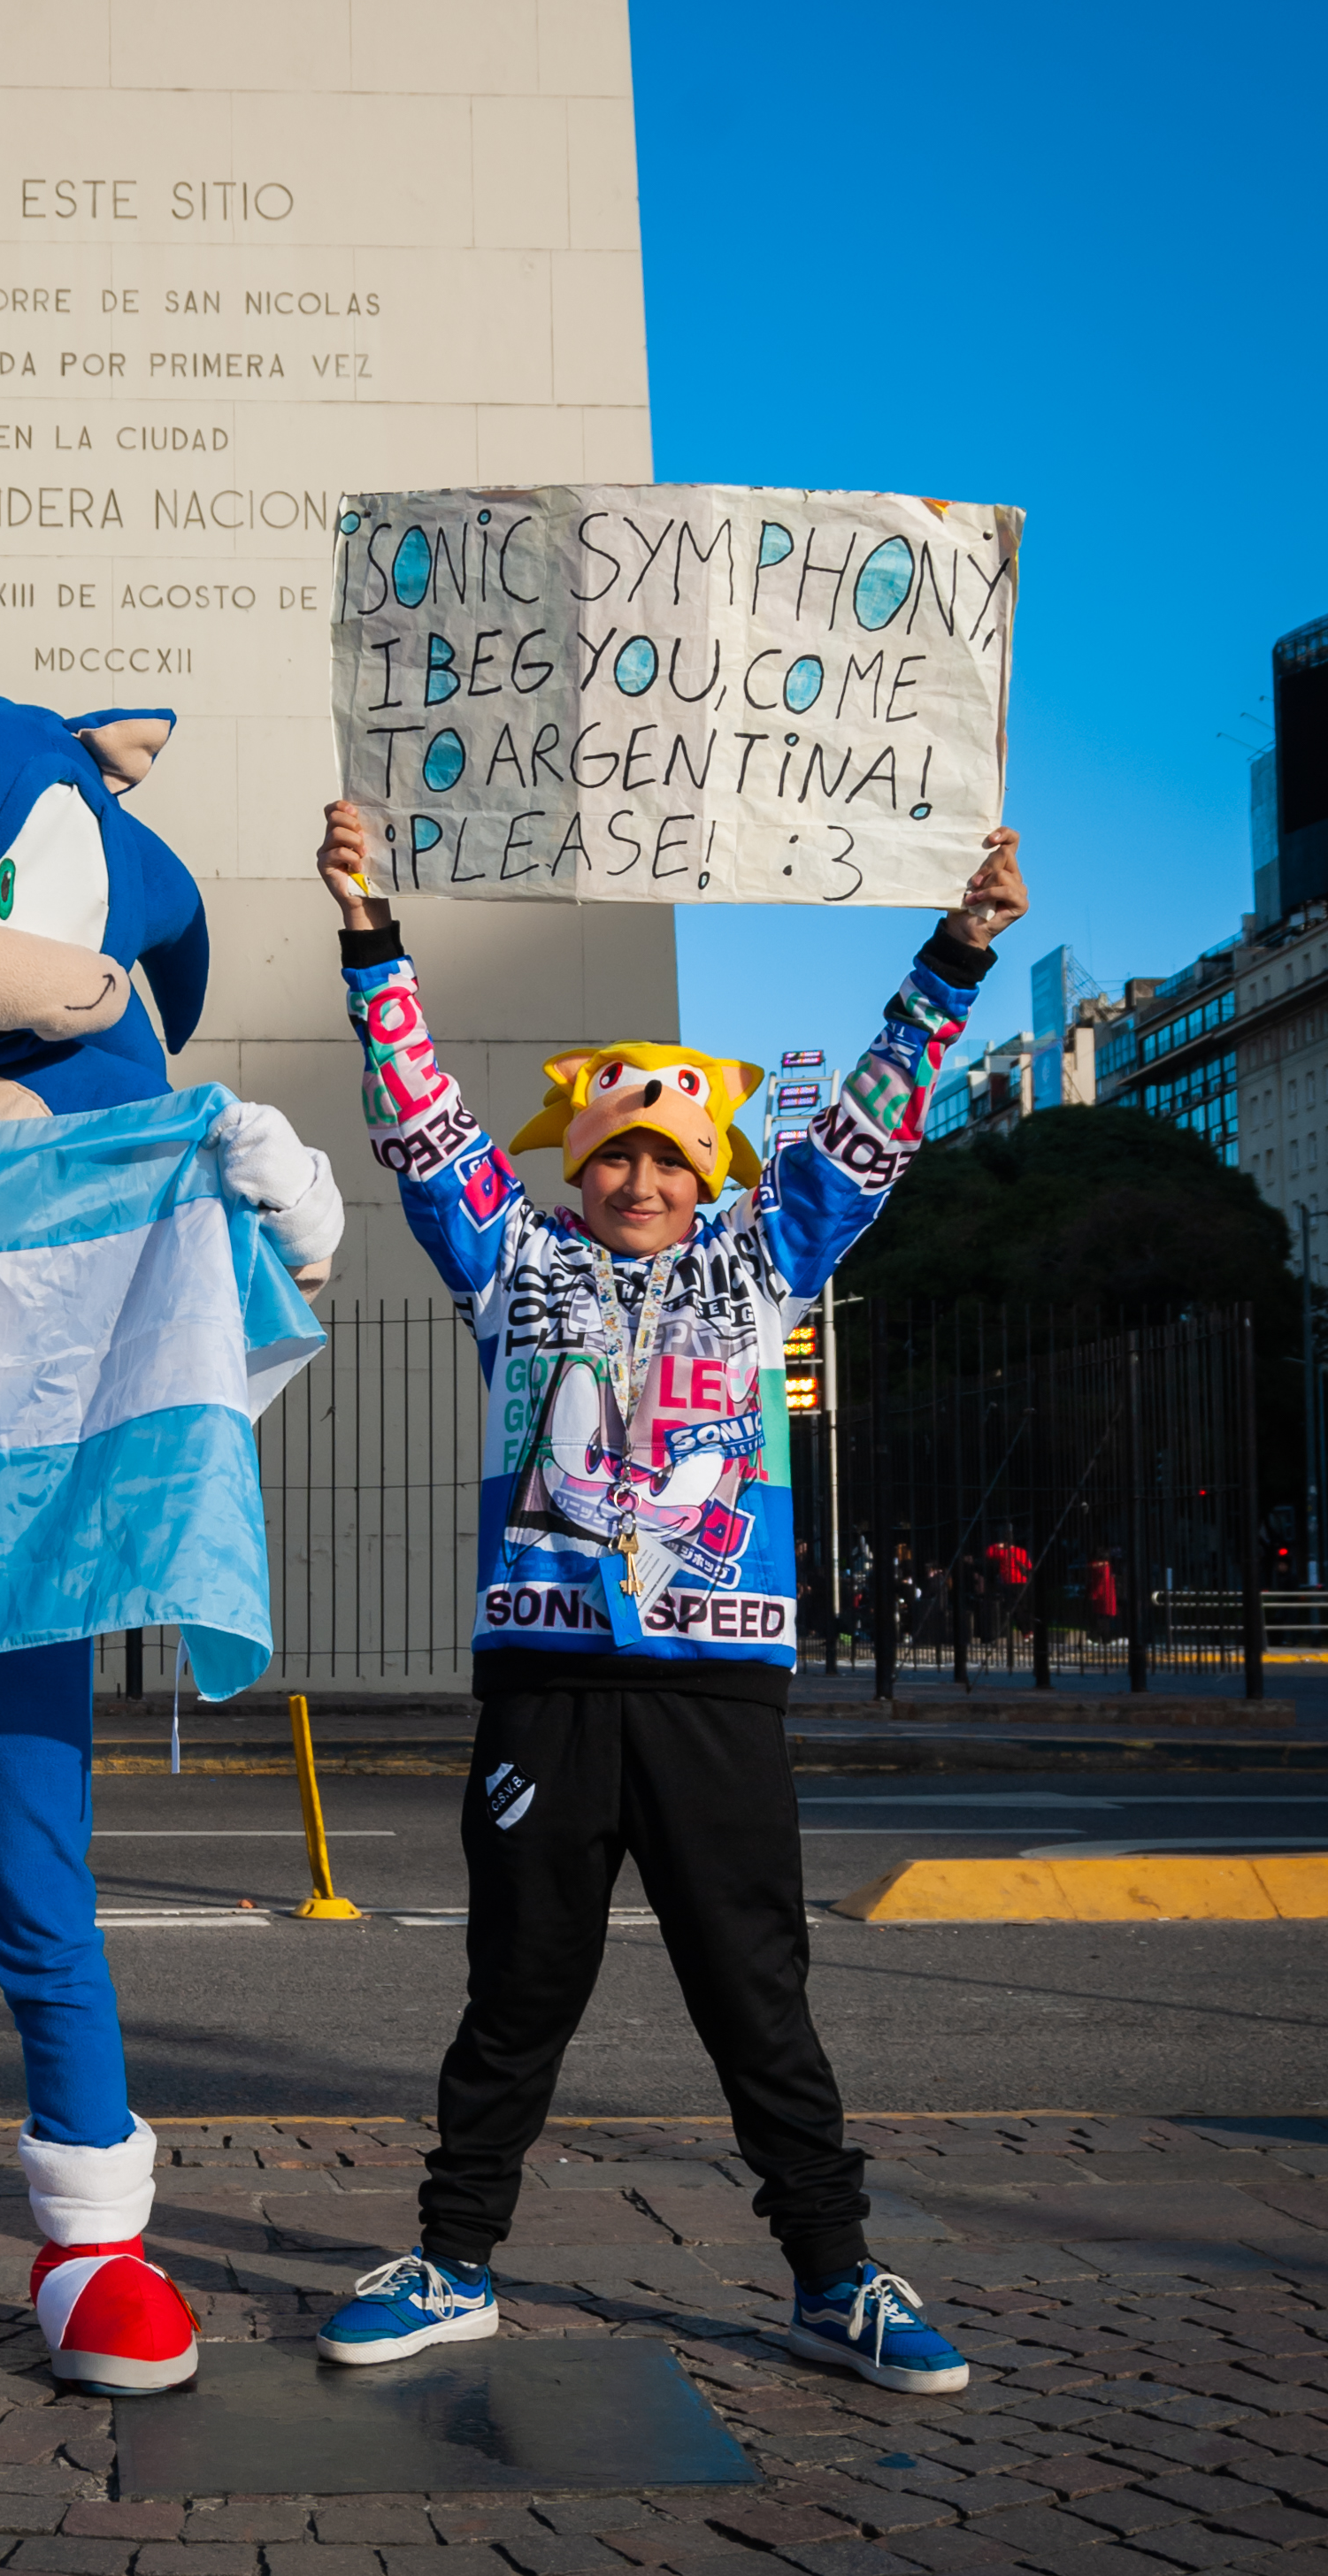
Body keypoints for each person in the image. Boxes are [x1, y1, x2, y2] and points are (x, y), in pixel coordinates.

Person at [311, 801, 1027, 2397]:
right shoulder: (508, 1258)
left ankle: (831, 2273)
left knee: (755, 1998)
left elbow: (870, 1129)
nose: (641, 1175)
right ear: (578, 1164)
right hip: (546, 1693)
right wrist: (371, 938)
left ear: (707, 1175)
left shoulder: (764, 1259)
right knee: (517, 1994)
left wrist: (958, 951)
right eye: (616, 1151)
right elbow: (420, 1123)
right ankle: (455, 2259)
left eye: (670, 1155)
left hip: (720, 1699)